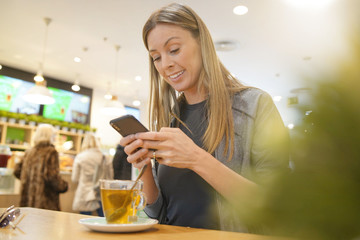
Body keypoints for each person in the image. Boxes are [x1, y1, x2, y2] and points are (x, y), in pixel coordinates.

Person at [120, 3, 289, 233]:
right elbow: (160, 213)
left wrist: (195, 158)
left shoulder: (255, 105)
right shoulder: (172, 121)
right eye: (156, 57)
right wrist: (146, 170)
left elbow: (275, 206)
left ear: (202, 43)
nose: (166, 64)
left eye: (174, 49)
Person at [14, 124, 68, 211]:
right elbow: (52, 177)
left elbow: (17, 171)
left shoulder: (29, 152)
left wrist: (30, 180)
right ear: (49, 136)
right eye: (53, 135)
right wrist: (64, 186)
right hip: (45, 202)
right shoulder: (51, 152)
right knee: (46, 223)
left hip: (28, 200)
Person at [71, 132, 111, 216]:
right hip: (100, 193)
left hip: (84, 194)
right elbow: (110, 178)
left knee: (84, 221)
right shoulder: (105, 157)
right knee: (103, 221)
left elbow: (74, 178)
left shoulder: (80, 157)